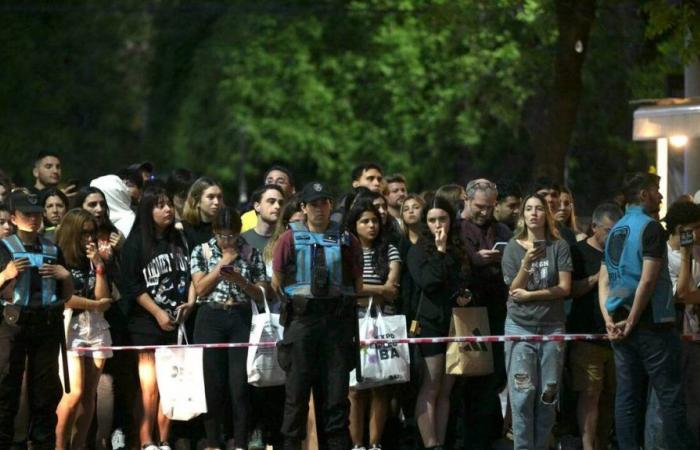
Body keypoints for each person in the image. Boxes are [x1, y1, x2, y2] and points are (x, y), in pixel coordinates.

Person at [599, 172, 693, 450]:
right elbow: (649, 279)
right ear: (643, 195)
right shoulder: (650, 228)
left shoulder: (616, 229)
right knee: (670, 396)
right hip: (652, 323)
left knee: (627, 397)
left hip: (619, 322)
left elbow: (605, 278)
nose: (661, 196)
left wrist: (609, 318)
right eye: (656, 190)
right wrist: (634, 318)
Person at [272, 181, 364, 450]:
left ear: (330, 206)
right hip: (301, 324)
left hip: (336, 325)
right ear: (303, 207)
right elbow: (276, 282)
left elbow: (356, 285)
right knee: (296, 398)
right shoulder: (289, 238)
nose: (319, 208)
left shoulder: (347, 239)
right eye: (313, 203)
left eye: (324, 202)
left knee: (336, 399)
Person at [0, 190, 74, 450]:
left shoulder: (53, 248)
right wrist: (5, 274)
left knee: (45, 393)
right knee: (5, 389)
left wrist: (66, 276)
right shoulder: (4, 247)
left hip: (47, 325)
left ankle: (42, 444)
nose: (32, 219)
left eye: (36, 214)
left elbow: (66, 296)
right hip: (13, 325)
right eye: (26, 214)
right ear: (13, 218)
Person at [121, 187, 193, 450]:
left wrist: (191, 302)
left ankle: (163, 439)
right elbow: (133, 285)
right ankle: (145, 440)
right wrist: (157, 312)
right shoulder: (136, 242)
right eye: (160, 206)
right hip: (145, 323)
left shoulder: (180, 239)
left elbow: (192, 273)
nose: (168, 210)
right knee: (149, 385)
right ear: (147, 210)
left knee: (170, 383)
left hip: (176, 321)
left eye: (169, 205)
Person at [500, 192, 572, 450]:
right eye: (528, 209)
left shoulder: (559, 246)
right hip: (520, 327)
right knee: (521, 395)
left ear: (546, 214)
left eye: (539, 209)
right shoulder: (512, 247)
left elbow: (564, 288)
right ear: (522, 215)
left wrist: (531, 294)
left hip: (552, 326)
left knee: (548, 394)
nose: (533, 213)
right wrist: (526, 263)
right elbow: (513, 291)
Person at [190, 207, 267, 450]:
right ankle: (213, 442)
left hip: (240, 317)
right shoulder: (201, 251)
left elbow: (263, 293)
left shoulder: (251, 253)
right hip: (210, 316)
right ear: (214, 232)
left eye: (232, 235)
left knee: (240, 386)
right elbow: (200, 289)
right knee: (212, 385)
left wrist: (241, 281)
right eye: (222, 236)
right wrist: (221, 265)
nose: (228, 240)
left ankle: (241, 442)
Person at [407, 196, 471, 450]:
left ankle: (440, 442)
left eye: (442, 219)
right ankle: (430, 443)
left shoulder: (458, 247)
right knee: (431, 385)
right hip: (429, 323)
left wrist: (466, 294)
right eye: (432, 220)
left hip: (454, 322)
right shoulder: (418, 250)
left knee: (446, 389)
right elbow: (429, 282)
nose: (438, 225)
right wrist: (440, 250)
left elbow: (462, 279)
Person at [457, 178, 511, 449]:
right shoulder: (456, 229)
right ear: (466, 200)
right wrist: (477, 259)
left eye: (490, 207)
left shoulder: (502, 229)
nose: (485, 212)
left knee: (495, 376)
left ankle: (490, 434)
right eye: (479, 206)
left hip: (498, 310)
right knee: (468, 379)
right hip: (467, 313)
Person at [54, 209, 113, 450]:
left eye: (93, 232)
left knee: (90, 395)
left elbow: (105, 298)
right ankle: (58, 445)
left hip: (96, 328)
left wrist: (99, 266)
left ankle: (78, 446)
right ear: (72, 233)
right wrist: (95, 305)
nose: (90, 238)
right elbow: (65, 299)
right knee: (74, 392)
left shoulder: (92, 260)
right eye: (84, 233)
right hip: (71, 327)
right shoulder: (60, 259)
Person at [345, 200, 401, 450]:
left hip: (383, 321)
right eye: (365, 221)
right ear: (354, 225)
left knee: (380, 387)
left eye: (374, 221)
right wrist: (371, 291)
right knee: (355, 389)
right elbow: (347, 290)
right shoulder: (346, 250)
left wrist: (363, 290)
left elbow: (392, 290)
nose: (371, 226)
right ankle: (357, 444)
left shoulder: (389, 250)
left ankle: (375, 443)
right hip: (352, 322)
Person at [568, 202, 623, 450]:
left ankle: (603, 442)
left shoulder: (621, 253)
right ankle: (587, 444)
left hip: (618, 336)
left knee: (611, 395)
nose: (613, 237)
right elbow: (570, 289)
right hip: (586, 335)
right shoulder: (577, 252)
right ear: (594, 227)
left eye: (618, 231)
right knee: (590, 394)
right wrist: (597, 278)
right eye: (608, 231)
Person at [672, 201, 700, 448]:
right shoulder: (677, 257)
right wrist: (686, 255)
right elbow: (683, 294)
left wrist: (687, 255)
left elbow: (687, 294)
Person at [241, 165, 296, 233]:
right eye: (269, 181)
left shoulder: (298, 218)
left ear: (292, 190)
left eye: (280, 182)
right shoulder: (248, 219)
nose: (274, 184)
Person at [181, 177, 223, 251]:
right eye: (211, 197)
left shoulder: (226, 228)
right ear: (196, 201)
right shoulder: (184, 230)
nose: (217, 202)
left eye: (219, 197)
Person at [241, 185, 285, 252]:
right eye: (271, 201)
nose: (277, 206)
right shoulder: (242, 241)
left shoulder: (288, 239)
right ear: (257, 206)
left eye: (281, 203)